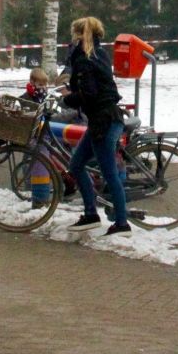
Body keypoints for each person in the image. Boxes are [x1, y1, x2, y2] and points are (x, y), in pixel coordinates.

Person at [61, 16, 130, 233]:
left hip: (103, 122)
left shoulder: (84, 59)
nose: (72, 39)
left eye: (74, 34)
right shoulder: (100, 53)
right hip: (107, 118)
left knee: (109, 172)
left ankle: (121, 223)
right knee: (76, 164)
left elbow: (89, 93)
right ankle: (91, 213)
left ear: (80, 35)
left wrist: (68, 98)